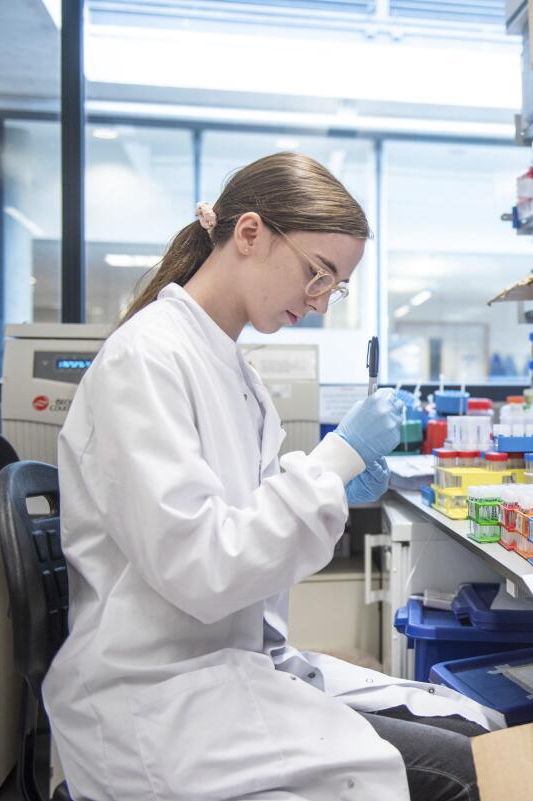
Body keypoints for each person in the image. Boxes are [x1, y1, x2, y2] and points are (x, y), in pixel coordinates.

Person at [43, 152, 501, 801]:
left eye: (334, 286)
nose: (318, 302)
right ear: (250, 233)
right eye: (318, 273)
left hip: (228, 667)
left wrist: (331, 483)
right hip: (158, 699)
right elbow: (202, 566)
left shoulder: (234, 371)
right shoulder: (146, 360)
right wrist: (336, 458)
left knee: (471, 724)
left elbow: (236, 520)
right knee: (467, 772)